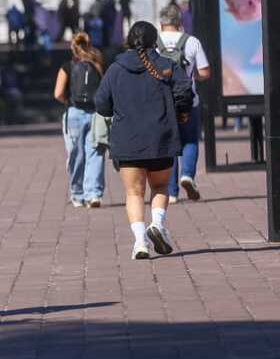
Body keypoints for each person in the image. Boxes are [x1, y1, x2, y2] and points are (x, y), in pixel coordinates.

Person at [95, 21, 193, 259]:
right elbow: (184, 90)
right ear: (154, 41)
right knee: (159, 186)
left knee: (134, 193)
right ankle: (157, 225)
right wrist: (180, 110)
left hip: (127, 140)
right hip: (161, 137)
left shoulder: (116, 68)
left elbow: (101, 103)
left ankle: (140, 241)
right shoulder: (166, 65)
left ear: (129, 41)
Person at [157, 3, 210, 203]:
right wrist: (191, 76)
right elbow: (206, 72)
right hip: (189, 101)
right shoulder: (192, 41)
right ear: (179, 23)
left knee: (168, 145)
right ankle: (187, 175)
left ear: (161, 24)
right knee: (189, 140)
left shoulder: (155, 43)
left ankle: (171, 192)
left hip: (162, 103)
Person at [53, 33, 106, 207]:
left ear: (73, 47)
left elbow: (58, 93)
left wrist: (68, 101)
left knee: (76, 155)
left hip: (74, 113)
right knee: (95, 153)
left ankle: (77, 194)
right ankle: (94, 194)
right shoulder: (97, 65)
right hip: (95, 114)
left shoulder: (67, 66)